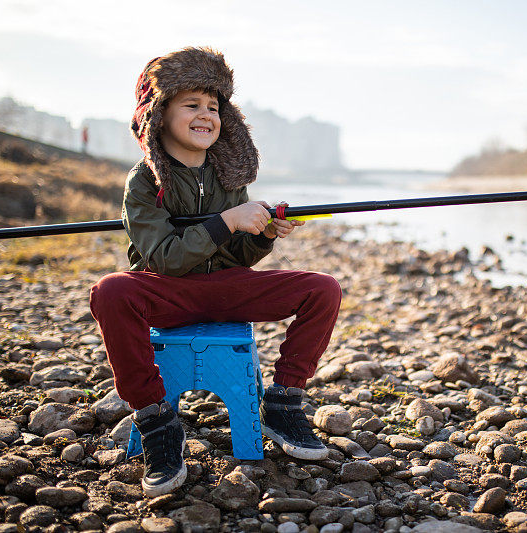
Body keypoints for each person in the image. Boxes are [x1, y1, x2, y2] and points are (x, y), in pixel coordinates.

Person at [89, 47, 342, 498]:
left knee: (322, 289)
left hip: (224, 289)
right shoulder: (144, 181)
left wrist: (263, 234)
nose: (206, 115)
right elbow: (162, 258)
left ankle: (283, 404)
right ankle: (156, 421)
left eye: (214, 106)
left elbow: (236, 259)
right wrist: (227, 221)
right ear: (158, 114)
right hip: (166, 291)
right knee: (111, 291)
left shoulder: (229, 176)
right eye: (192, 104)